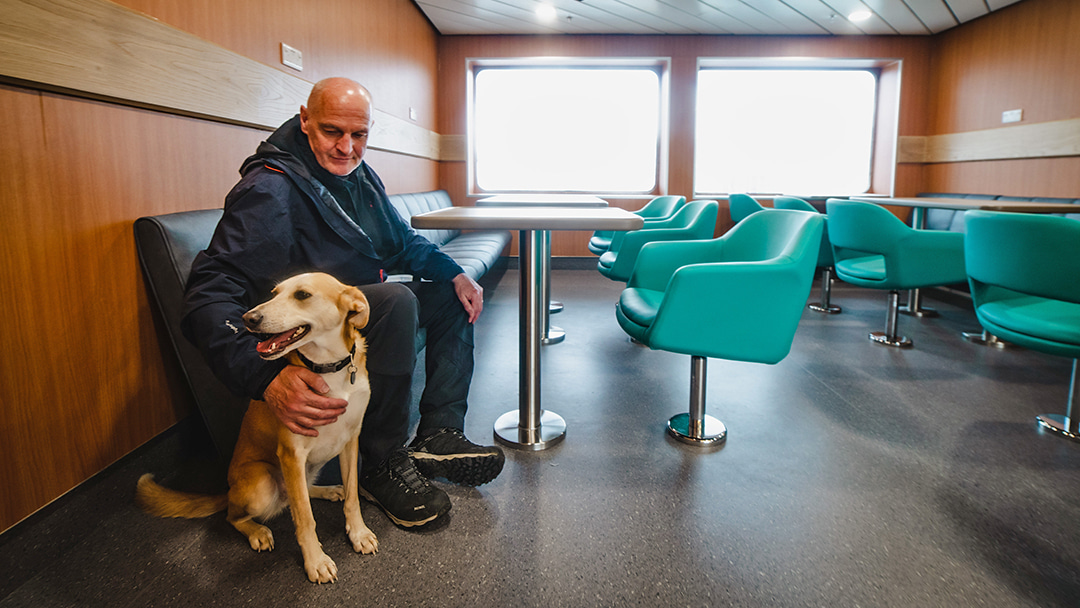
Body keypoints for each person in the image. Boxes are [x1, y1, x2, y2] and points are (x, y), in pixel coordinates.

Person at [181, 77, 504, 528]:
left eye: (360, 135)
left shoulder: (358, 176)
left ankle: (439, 432)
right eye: (333, 131)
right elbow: (211, 289)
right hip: (307, 333)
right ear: (305, 122)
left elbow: (400, 242)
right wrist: (263, 377)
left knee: (448, 298)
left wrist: (455, 273)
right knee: (394, 301)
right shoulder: (270, 190)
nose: (347, 148)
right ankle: (379, 463)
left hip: (347, 317)